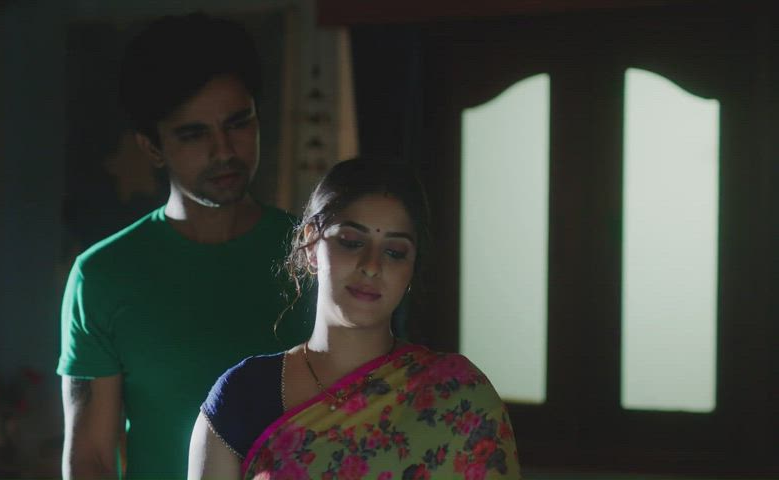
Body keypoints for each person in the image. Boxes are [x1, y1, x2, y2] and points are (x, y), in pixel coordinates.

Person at [57, 13, 310, 479]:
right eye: (194, 134)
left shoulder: (314, 257)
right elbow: (90, 457)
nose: (224, 150)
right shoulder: (104, 276)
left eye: (238, 123)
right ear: (152, 147)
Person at [188, 157, 521, 479]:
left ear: (412, 267)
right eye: (351, 242)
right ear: (311, 244)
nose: (372, 266)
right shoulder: (243, 396)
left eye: (395, 252)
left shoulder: (458, 395)